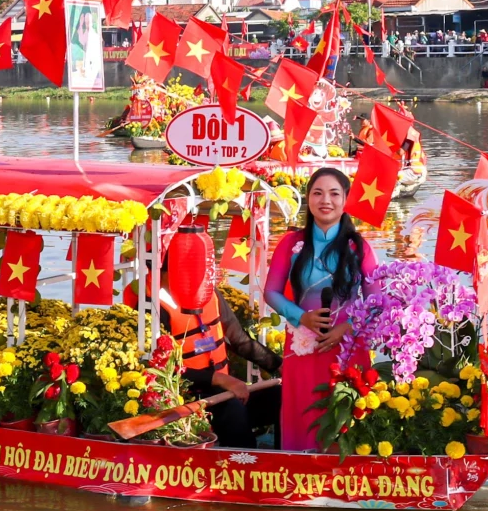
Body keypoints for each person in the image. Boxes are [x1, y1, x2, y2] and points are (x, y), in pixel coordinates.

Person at [262, 168, 378, 451]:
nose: (325, 200)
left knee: (345, 415)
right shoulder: (291, 245)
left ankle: (345, 477)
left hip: (348, 349)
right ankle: (299, 478)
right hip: (303, 346)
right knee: (302, 410)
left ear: (346, 200)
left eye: (334, 193)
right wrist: (301, 316)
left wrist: (346, 328)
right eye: (317, 192)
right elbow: (271, 292)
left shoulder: (360, 248)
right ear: (308, 199)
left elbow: (376, 303)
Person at [135, 257, 281, 448]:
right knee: (233, 410)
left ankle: (286, 461)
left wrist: (280, 365)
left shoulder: (209, 295)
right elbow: (163, 372)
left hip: (224, 391)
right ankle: (244, 468)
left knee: (280, 396)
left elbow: (240, 339)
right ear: (163, 274)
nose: (194, 280)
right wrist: (221, 380)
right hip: (187, 399)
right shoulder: (151, 307)